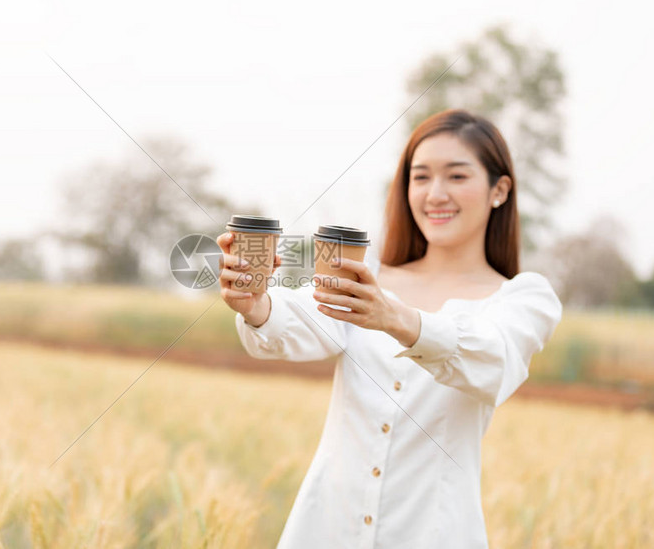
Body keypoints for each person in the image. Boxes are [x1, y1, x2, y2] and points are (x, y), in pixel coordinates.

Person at [216, 109, 563, 549]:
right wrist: (256, 305)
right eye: (420, 178)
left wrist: (396, 319)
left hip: (434, 533)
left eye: (456, 176)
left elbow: (493, 362)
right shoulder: (370, 272)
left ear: (500, 189)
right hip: (326, 530)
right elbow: (301, 320)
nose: (435, 194)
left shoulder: (523, 299)